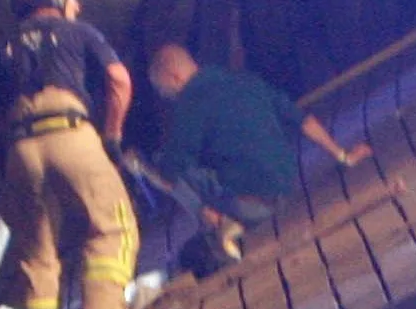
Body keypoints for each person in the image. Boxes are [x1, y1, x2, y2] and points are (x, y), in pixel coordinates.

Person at [0, 0, 139, 309]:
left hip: (20, 148)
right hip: (71, 133)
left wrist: (1, 154)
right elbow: (119, 81)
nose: (77, 5)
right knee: (113, 225)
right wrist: (113, 138)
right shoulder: (79, 33)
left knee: (35, 251)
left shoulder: (0, 48)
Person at [147, 42, 372, 250]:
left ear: (174, 77)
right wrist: (342, 155)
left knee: (165, 166)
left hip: (250, 207)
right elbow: (301, 119)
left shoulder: (188, 107)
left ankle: (221, 222)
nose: (165, 97)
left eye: (162, 91)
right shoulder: (243, 79)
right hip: (286, 186)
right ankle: (232, 217)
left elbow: (173, 169)